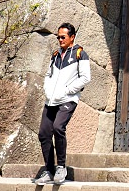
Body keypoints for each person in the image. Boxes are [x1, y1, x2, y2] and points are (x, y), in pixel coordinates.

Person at [35, 22, 91, 186]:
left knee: (58, 127)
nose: (60, 40)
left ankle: (61, 167)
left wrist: (67, 90)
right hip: (51, 100)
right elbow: (48, 74)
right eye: (58, 37)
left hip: (68, 99)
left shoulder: (80, 54)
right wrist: (47, 88)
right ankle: (49, 170)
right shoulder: (55, 55)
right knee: (44, 133)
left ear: (72, 37)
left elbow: (86, 78)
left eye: (63, 37)